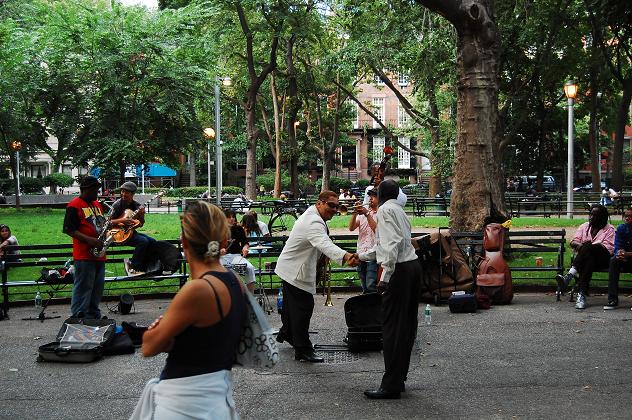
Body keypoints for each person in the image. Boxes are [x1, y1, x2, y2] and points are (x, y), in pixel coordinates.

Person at [131, 201, 246, 420]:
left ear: (183, 241)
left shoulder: (197, 289)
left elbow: (149, 346)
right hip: (217, 399)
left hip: (185, 403)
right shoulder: (234, 282)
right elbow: (214, 337)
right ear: (223, 241)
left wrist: (160, 329)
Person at [274, 190, 359, 363]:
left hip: (290, 269)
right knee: (302, 310)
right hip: (295, 271)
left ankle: (288, 334)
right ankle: (303, 350)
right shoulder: (313, 221)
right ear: (319, 203)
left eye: (337, 206)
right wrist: (345, 255)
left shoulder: (314, 215)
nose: (335, 209)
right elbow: (323, 243)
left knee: (293, 309)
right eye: (331, 205)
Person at [359, 179, 421, 399]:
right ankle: (398, 378)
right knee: (406, 325)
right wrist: (360, 256)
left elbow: (391, 244)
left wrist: (385, 276)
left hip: (399, 271)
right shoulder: (399, 210)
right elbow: (388, 244)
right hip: (412, 267)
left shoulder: (384, 210)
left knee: (392, 327)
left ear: (382, 194)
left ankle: (391, 385)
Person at [62, 176, 107, 319]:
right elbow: (69, 229)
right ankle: (79, 316)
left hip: (99, 254)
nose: (96, 193)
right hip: (84, 255)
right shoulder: (74, 205)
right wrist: (91, 240)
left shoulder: (97, 205)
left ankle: (93, 316)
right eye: (94, 190)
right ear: (85, 189)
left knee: (97, 287)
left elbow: (101, 224)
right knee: (83, 288)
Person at [556, 204, 615, 309]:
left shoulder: (609, 229)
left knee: (588, 246)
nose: (591, 217)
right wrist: (583, 247)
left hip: (603, 259)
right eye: (591, 214)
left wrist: (584, 247)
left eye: (595, 215)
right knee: (589, 260)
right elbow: (573, 241)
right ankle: (581, 295)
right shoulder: (584, 226)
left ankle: (569, 276)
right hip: (588, 260)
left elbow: (607, 248)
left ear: (602, 217)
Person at [110, 182, 156, 276]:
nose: (123, 194)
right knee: (143, 241)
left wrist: (141, 216)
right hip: (117, 234)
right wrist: (122, 220)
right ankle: (133, 267)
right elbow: (107, 223)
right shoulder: (117, 205)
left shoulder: (137, 206)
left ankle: (145, 267)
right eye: (122, 191)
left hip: (129, 232)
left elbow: (141, 223)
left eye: (126, 192)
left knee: (152, 241)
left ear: (132, 194)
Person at [348, 189, 378, 293]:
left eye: (374, 196)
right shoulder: (362, 214)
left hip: (373, 254)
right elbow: (351, 228)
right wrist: (354, 213)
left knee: (371, 285)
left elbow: (377, 230)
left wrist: (367, 214)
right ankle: (367, 307)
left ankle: (374, 305)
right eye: (370, 196)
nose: (371, 199)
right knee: (364, 286)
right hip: (360, 252)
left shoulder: (381, 214)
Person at [221, 209, 257, 293]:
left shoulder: (239, 229)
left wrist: (245, 247)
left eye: (233, 217)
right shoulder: (217, 230)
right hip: (221, 257)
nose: (232, 219)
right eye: (229, 217)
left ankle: (250, 296)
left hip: (236, 256)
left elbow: (245, 242)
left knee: (250, 268)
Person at [604, 208, 632, 309]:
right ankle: (612, 299)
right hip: (624, 258)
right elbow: (617, 245)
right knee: (614, 261)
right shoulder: (621, 228)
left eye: (630, 216)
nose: (628, 218)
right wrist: (619, 253)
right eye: (626, 216)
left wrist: (627, 254)